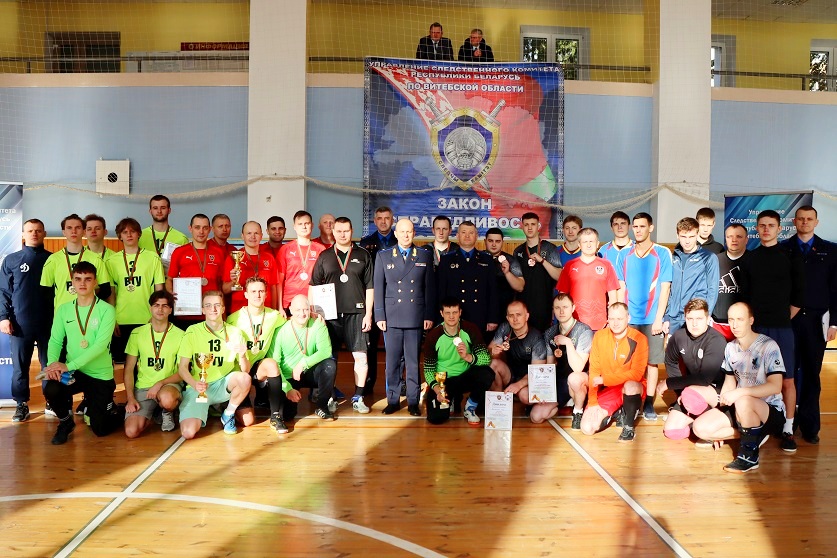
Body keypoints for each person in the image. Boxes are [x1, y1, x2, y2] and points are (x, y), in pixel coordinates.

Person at [689, 302, 786, 474]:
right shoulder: (730, 348)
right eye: (731, 319)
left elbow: (776, 386)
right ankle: (754, 434)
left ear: (751, 320)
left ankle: (749, 457)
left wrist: (740, 393)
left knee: (743, 400)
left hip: (770, 410)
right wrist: (722, 405)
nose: (734, 325)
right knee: (699, 428)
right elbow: (729, 382)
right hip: (741, 407)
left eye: (740, 319)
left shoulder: (768, 345)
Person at [740, 210, 804, 453]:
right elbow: (745, 296)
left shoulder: (790, 256)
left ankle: (788, 429)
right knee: (757, 379)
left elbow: (800, 294)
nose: (766, 229)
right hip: (756, 329)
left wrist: (782, 318)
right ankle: (759, 425)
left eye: (771, 225)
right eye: (762, 225)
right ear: (757, 228)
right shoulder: (750, 258)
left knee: (787, 380)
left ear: (779, 228)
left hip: (782, 328)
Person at [42, 262, 122, 445]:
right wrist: (53, 365)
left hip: (99, 375)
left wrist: (67, 365)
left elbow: (100, 346)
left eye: (88, 279)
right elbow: (55, 341)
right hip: (75, 373)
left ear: (95, 282)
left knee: (100, 429)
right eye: (78, 279)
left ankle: (118, 411)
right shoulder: (64, 309)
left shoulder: (107, 310)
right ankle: (66, 422)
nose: (82, 283)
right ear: (72, 282)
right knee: (51, 388)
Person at [781, 205, 837, 445]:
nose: (805, 222)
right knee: (787, 375)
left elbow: (835, 289)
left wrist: (834, 323)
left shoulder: (831, 250)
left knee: (812, 374)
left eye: (809, 219)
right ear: (794, 222)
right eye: (801, 219)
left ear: (816, 222)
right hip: (788, 321)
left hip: (816, 322)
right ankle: (786, 423)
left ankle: (810, 426)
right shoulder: (783, 249)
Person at [310, 217, 374, 414]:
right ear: (333, 232)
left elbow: (370, 287)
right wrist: (315, 312)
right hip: (330, 316)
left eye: (346, 230)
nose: (343, 234)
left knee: (361, 357)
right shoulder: (325, 256)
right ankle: (329, 396)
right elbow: (313, 285)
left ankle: (358, 397)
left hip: (357, 313)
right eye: (339, 231)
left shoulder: (363, 255)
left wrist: (368, 314)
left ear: (351, 231)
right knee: (329, 358)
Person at [374, 218, 436, 416]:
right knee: (392, 362)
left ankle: (413, 401)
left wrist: (428, 314)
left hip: (415, 316)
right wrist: (379, 315)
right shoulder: (383, 256)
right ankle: (392, 400)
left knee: (412, 362)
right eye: (402, 231)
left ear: (414, 233)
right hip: (391, 317)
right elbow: (378, 288)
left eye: (409, 231)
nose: (406, 235)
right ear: (396, 233)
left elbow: (429, 289)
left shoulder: (424, 255)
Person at [618, 212, 672, 421]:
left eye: (642, 226)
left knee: (652, 363)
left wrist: (659, 318)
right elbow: (621, 287)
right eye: (636, 226)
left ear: (651, 228)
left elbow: (665, 288)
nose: (638, 230)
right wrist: (621, 317)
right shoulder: (624, 254)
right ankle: (630, 401)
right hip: (630, 319)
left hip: (652, 319)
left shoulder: (662, 253)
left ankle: (649, 402)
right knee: (628, 363)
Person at [177, 291, 251, 438]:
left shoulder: (235, 332)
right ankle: (205, 408)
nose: (213, 309)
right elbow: (182, 368)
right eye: (208, 305)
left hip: (224, 385)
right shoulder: (193, 331)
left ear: (223, 309)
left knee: (244, 379)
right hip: (200, 386)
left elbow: (246, 370)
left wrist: (242, 355)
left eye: (217, 305)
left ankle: (228, 414)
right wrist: (194, 384)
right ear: (203, 310)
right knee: (188, 433)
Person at [0, 219, 53, 422]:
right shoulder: (12, 260)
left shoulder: (53, 259)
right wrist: (3, 317)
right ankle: (21, 404)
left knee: (48, 365)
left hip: (49, 323)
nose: (34, 234)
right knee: (20, 368)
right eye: (30, 231)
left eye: (38, 230)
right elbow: (3, 291)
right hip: (20, 323)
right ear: (23, 234)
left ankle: (51, 401)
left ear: (44, 233)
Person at [657, 298, 727, 443]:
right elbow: (670, 361)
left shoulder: (716, 340)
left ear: (707, 319)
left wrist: (669, 383)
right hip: (693, 391)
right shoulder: (679, 336)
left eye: (699, 319)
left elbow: (704, 379)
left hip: (718, 391)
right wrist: (679, 393)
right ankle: (698, 423)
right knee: (672, 431)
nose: (694, 323)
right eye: (690, 319)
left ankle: (715, 425)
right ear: (685, 318)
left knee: (690, 395)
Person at [226, 276, 291, 433]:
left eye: (261, 291)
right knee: (248, 421)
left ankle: (276, 416)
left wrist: (312, 315)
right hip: (239, 370)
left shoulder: (274, 316)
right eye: (253, 291)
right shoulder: (233, 318)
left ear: (266, 294)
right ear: (246, 294)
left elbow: (293, 322)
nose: (258, 295)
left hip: (257, 367)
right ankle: (226, 403)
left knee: (271, 364)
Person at [579, 302, 648, 443]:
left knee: (630, 386)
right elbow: (594, 371)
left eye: (620, 319)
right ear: (607, 319)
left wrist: (606, 379)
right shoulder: (599, 336)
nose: (615, 323)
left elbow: (636, 374)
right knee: (587, 428)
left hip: (631, 387)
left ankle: (628, 426)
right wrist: (592, 401)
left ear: (628, 318)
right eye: (612, 319)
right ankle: (618, 411)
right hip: (609, 390)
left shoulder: (639, 339)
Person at [123, 291, 186, 437]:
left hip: (168, 386)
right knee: (131, 432)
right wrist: (130, 398)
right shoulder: (137, 333)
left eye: (165, 306)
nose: (160, 309)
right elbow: (129, 369)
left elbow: (182, 372)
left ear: (170, 310)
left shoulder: (181, 335)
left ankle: (167, 410)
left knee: (167, 399)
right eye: (156, 305)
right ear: (150, 308)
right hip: (143, 388)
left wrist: (160, 383)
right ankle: (156, 411)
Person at [423, 297, 494, 426]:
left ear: (460, 312)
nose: (451, 316)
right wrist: (438, 390)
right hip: (443, 379)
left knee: (487, 374)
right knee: (436, 418)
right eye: (447, 313)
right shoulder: (433, 336)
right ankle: (451, 398)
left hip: (464, 376)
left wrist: (467, 357)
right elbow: (428, 370)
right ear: (441, 313)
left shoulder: (470, 329)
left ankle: (470, 407)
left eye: (455, 312)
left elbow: (486, 358)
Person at [105, 217, 166, 364]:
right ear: (119, 236)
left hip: (147, 318)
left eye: (132, 231)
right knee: (122, 364)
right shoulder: (111, 261)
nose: (129, 235)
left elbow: (159, 291)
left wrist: (156, 317)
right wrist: (112, 319)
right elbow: (111, 294)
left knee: (146, 362)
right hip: (121, 319)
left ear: (139, 233)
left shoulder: (153, 258)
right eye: (125, 232)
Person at [269, 294, 338, 421]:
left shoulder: (318, 324)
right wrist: (288, 389)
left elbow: (326, 351)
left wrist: (303, 364)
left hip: (310, 372)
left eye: (305, 309)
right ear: (291, 310)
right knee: (287, 416)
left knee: (329, 365)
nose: (302, 314)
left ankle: (322, 406)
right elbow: (275, 364)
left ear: (310, 309)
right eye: (298, 310)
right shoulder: (280, 331)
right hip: (289, 376)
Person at [437, 221, 499, 339]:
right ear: (457, 236)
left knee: (478, 348)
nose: (467, 236)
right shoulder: (446, 259)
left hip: (479, 315)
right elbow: (441, 291)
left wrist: (492, 318)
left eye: (471, 233)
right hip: (453, 317)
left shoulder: (486, 259)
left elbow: (493, 292)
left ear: (476, 236)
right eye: (463, 232)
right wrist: (441, 317)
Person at [539, 293, 593, 427]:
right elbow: (550, 365)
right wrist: (544, 391)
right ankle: (564, 403)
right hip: (561, 380)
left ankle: (578, 411)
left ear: (573, 308)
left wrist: (568, 343)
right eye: (557, 308)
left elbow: (578, 368)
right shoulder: (550, 333)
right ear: (553, 310)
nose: (561, 311)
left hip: (580, 379)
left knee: (574, 378)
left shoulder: (583, 330)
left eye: (565, 307)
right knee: (536, 416)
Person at [359, 206, 397, 395]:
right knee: (370, 346)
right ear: (374, 221)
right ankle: (369, 382)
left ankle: (397, 384)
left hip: (395, 298)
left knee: (396, 346)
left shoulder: (399, 240)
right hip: (373, 300)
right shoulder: (365, 243)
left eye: (386, 218)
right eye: (379, 218)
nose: (383, 221)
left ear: (392, 220)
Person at [166, 214, 226, 330]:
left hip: (211, 313)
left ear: (210, 229)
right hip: (186, 313)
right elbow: (170, 279)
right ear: (190, 228)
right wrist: (170, 293)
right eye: (197, 227)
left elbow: (221, 284)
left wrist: (223, 312)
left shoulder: (218, 252)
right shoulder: (179, 252)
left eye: (205, 228)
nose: (201, 231)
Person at [41, 213, 110, 310]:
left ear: (84, 231)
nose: (73, 231)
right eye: (69, 228)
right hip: (63, 314)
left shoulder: (95, 259)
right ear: (64, 232)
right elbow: (45, 292)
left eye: (78, 228)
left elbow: (106, 290)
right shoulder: (53, 259)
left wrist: (90, 302)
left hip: (89, 313)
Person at [555, 227, 618, 331]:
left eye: (591, 241)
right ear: (579, 244)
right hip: (574, 325)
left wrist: (612, 320)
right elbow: (562, 298)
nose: (589, 245)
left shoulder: (606, 265)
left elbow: (613, 297)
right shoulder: (570, 266)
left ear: (597, 244)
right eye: (585, 242)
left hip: (600, 326)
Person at [663, 217, 719, 334]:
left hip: (696, 316)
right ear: (677, 236)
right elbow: (669, 289)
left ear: (697, 235)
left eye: (691, 236)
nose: (687, 241)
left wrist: (706, 315)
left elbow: (713, 289)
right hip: (673, 318)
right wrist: (666, 316)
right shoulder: (673, 258)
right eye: (683, 236)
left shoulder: (709, 257)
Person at [512, 212, 562, 332]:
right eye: (526, 225)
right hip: (523, 306)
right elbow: (516, 282)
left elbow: (559, 276)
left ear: (538, 226)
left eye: (533, 224)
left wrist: (542, 261)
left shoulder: (549, 248)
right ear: (522, 227)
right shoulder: (518, 251)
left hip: (543, 305)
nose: (529, 228)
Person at [487, 300, 548, 393]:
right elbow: (489, 351)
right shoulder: (505, 328)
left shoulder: (536, 338)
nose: (515, 319)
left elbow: (537, 371)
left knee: (524, 395)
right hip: (509, 374)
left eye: (518, 315)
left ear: (527, 316)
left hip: (528, 378)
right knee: (492, 363)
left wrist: (518, 385)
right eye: (511, 316)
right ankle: (498, 399)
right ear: (507, 318)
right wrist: (493, 352)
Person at [223, 221, 280, 314]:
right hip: (240, 314)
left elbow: (273, 288)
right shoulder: (232, 258)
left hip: (265, 312)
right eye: (249, 233)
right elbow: (225, 290)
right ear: (242, 236)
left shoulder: (269, 258)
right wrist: (233, 282)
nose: (253, 236)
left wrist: (274, 311)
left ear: (261, 236)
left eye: (256, 233)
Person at [276, 211, 325, 314]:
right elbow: (279, 281)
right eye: (300, 224)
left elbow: (324, 279)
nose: (304, 226)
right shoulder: (285, 249)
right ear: (294, 227)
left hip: (312, 303)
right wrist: (279, 307)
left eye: (307, 223)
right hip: (289, 303)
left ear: (312, 225)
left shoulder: (320, 249)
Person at [713, 223, 749, 341]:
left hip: (745, 325)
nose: (734, 240)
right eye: (729, 237)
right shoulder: (714, 260)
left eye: (739, 236)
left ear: (746, 239)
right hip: (718, 323)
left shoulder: (754, 260)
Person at [137, 195, 189, 262]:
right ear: (150, 211)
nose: (159, 211)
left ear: (169, 210)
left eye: (163, 208)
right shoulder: (139, 236)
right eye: (155, 208)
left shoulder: (182, 238)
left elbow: (185, 264)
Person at [484, 227, 524, 313]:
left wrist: (507, 273)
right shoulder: (477, 258)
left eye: (497, 241)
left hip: (504, 311)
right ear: (485, 241)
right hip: (482, 309)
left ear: (502, 242)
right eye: (490, 241)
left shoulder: (511, 260)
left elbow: (520, 287)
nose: (494, 244)